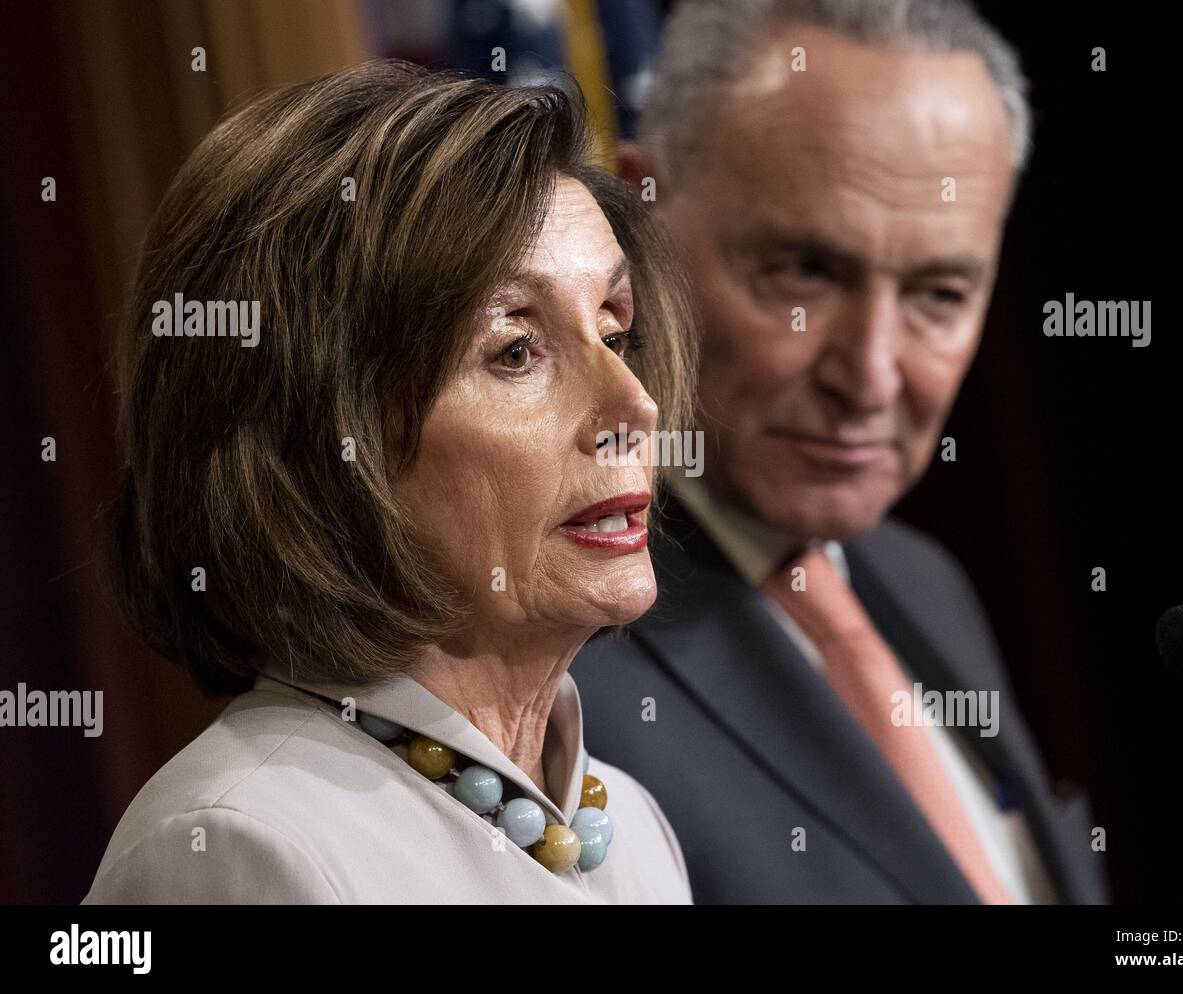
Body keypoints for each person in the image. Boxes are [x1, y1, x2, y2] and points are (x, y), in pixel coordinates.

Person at [84, 60, 697, 904]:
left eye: (613, 332)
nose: (635, 407)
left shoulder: (626, 827)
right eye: (516, 351)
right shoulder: (237, 847)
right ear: (317, 439)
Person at [571, 0, 1109, 903]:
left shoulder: (920, 579)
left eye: (939, 292)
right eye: (805, 273)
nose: (870, 377)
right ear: (640, 223)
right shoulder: (544, 650)